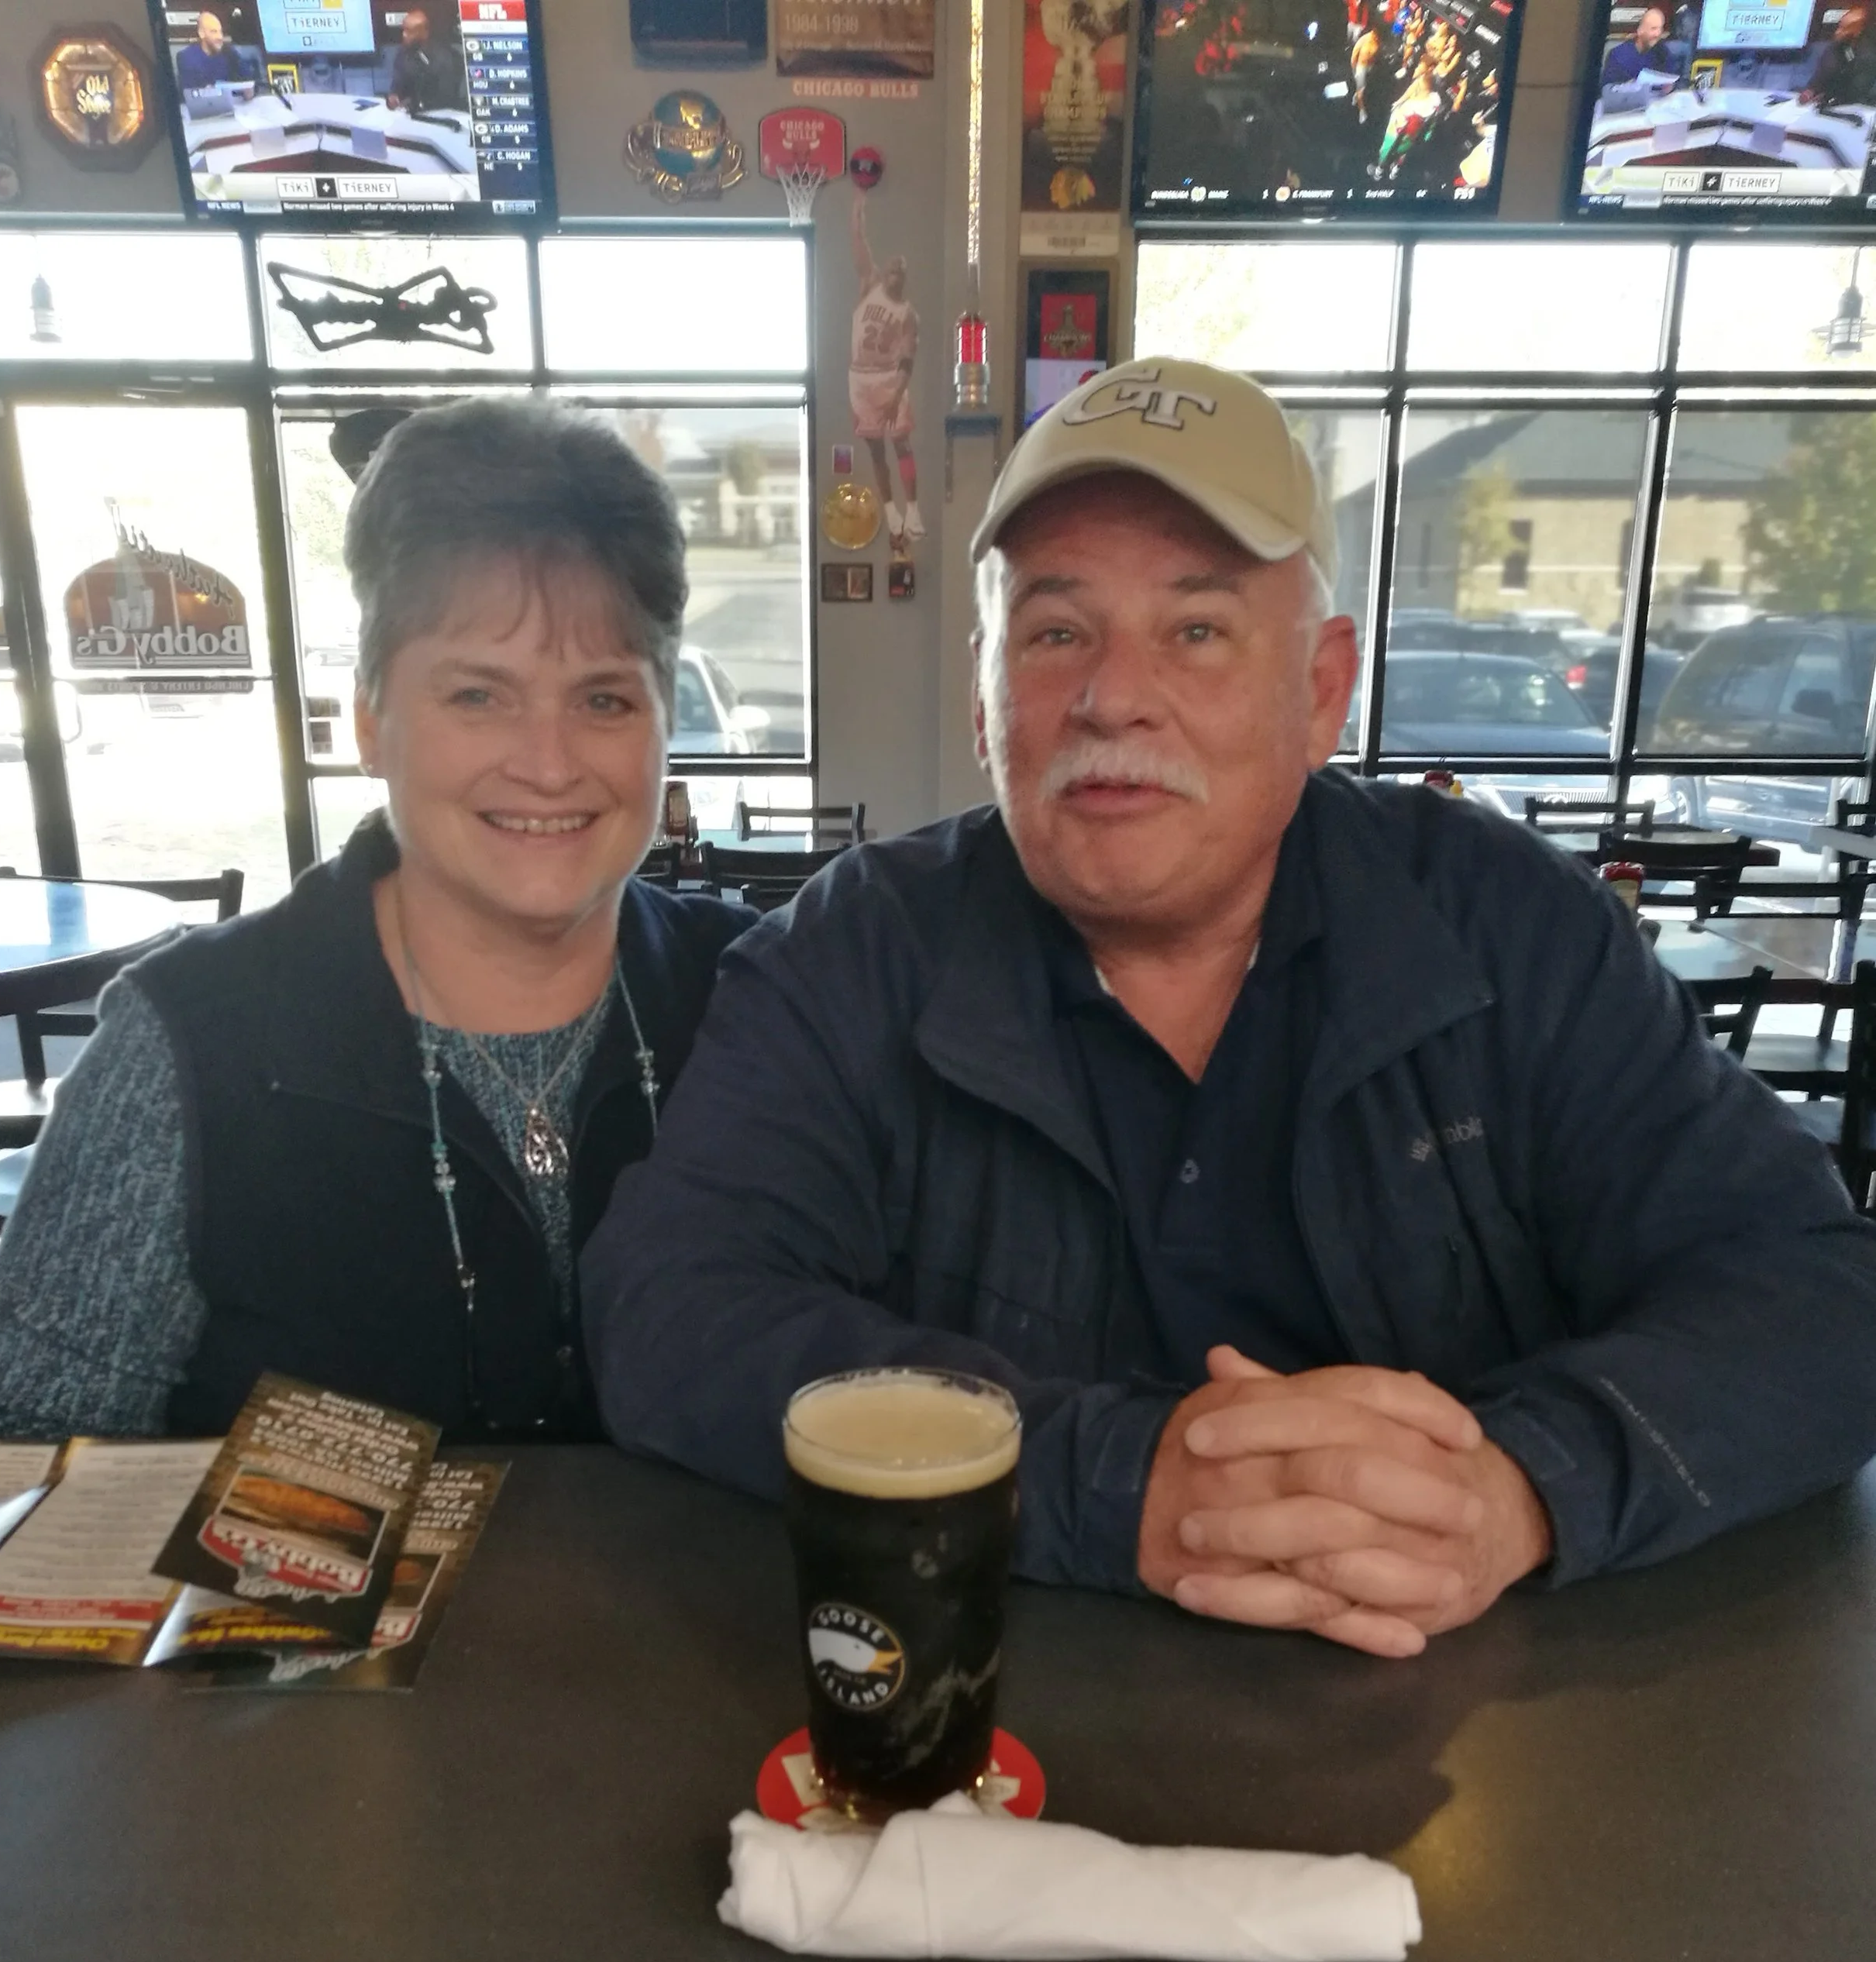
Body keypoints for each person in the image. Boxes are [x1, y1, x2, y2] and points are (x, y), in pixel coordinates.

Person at [580, 356, 1876, 1660]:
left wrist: (1521, 1484)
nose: (1112, 694)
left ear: (1321, 691)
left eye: (1196, 629)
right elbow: (671, 1308)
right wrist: (1119, 1482)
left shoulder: (1508, 929)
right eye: (1055, 632)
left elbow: (1814, 1294)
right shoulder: (855, 951)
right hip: (992, 1717)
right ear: (986, 700)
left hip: (1467, 1725)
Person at [0, 398, 740, 1447]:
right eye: (476, 695)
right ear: (369, 719)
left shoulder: (756, 997)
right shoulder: (194, 1040)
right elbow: (13, 1466)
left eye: (604, 700)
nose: (549, 762)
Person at [849, 191, 922, 547]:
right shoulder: (869, 286)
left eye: (900, 270)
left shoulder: (908, 314)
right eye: (891, 267)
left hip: (889, 377)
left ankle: (913, 509)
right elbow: (860, 246)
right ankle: (891, 510)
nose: (894, 273)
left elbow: (908, 360)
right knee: (876, 449)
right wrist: (858, 212)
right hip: (860, 376)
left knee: (902, 443)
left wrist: (896, 395)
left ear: (905, 277)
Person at [386, 8, 463, 114]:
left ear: (424, 33)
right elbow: (397, 84)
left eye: (409, 31)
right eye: (403, 30)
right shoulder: (402, 53)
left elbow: (447, 97)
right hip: (408, 115)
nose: (404, 35)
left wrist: (417, 103)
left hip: (441, 115)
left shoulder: (445, 57)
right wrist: (393, 96)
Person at [1602, 4, 1687, 82]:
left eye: (1660, 28)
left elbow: (1670, 78)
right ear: (1640, 31)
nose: (1658, 34)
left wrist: (1669, 87)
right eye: (1653, 29)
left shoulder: (1663, 52)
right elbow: (1608, 90)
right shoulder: (1618, 56)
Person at [175, 9, 244, 95]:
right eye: (214, 32)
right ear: (202, 34)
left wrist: (250, 91)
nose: (220, 37)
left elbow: (248, 81)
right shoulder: (187, 57)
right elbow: (188, 94)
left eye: (221, 32)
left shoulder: (230, 53)